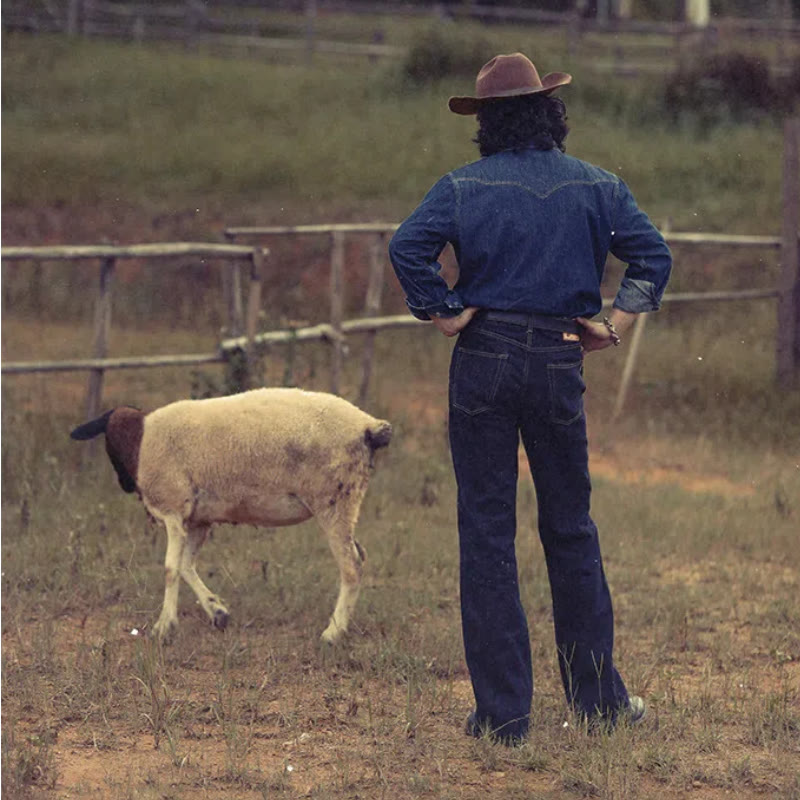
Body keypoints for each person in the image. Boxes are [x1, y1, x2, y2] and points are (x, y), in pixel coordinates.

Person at [388, 52, 671, 742]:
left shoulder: (461, 187)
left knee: (487, 533)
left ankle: (503, 717)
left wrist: (444, 309)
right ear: (550, 111)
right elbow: (652, 257)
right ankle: (599, 704)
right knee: (570, 527)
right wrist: (611, 325)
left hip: (482, 357)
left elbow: (407, 248)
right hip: (556, 358)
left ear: (486, 122)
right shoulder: (596, 186)